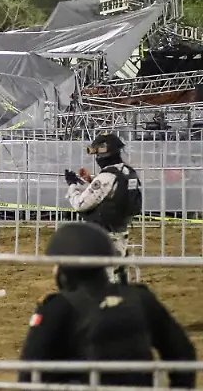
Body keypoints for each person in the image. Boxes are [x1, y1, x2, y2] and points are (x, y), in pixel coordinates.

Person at [19, 222, 195, 388]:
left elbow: (28, 375)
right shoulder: (141, 298)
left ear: (66, 269)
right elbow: (183, 353)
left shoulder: (58, 308)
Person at [65, 133, 143, 284]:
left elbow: (81, 204)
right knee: (121, 277)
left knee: (105, 281)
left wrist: (72, 185)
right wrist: (91, 180)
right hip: (121, 231)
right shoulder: (128, 172)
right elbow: (113, 192)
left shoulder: (106, 176)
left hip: (105, 236)